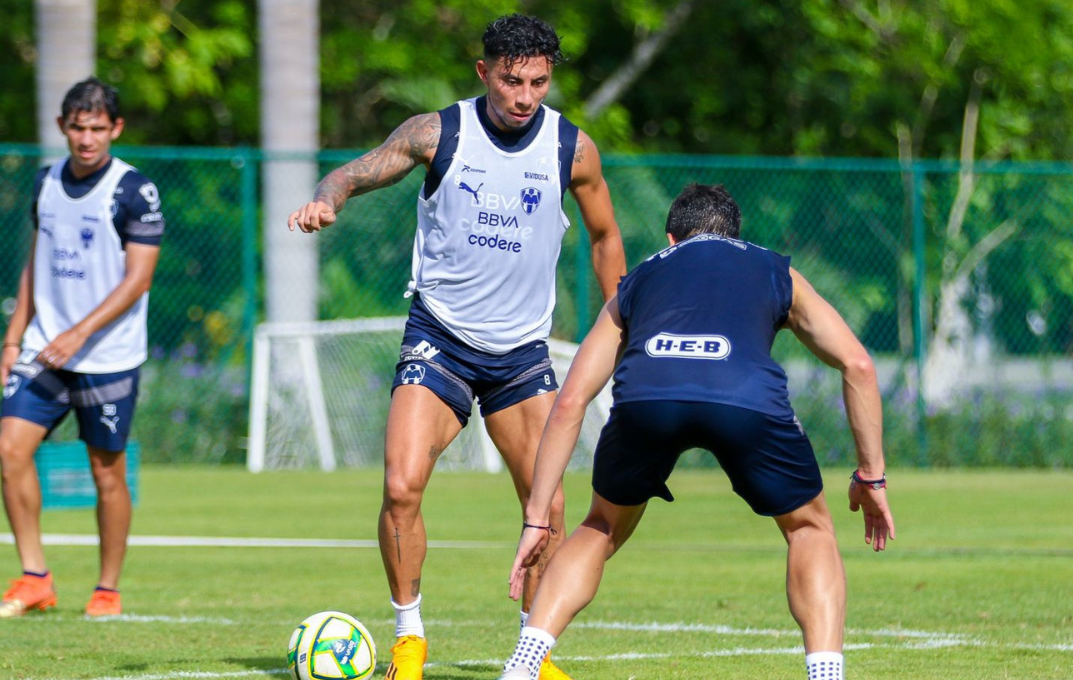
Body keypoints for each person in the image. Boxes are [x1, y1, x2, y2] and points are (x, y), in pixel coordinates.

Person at [287, 14, 625, 680]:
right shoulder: (438, 133)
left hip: (522, 352)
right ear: (484, 73)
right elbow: (353, 174)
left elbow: (606, 236)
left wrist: (622, 323)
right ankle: (409, 639)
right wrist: (326, 200)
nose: (524, 96)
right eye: (511, 80)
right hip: (440, 336)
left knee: (548, 506)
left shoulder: (572, 149)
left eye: (537, 82)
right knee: (402, 484)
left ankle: (534, 652)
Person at [498, 184, 895, 680]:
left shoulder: (641, 277)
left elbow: (572, 399)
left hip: (648, 396)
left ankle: (524, 661)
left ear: (671, 238)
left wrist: (538, 517)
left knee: (599, 526)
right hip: (744, 398)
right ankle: (826, 674)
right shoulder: (774, 269)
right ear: (735, 234)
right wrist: (871, 477)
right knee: (809, 528)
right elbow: (857, 364)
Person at [0, 77, 166, 618]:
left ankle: (107, 589)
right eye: (78, 128)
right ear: (62, 128)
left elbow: (137, 280)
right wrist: (13, 337)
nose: (87, 138)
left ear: (115, 129)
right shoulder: (46, 182)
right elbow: (35, 264)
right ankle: (34, 577)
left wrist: (80, 333)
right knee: (9, 450)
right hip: (44, 349)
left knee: (106, 472)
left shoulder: (133, 191)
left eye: (98, 128)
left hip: (108, 356)